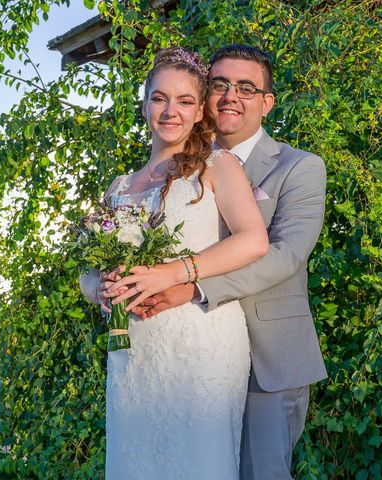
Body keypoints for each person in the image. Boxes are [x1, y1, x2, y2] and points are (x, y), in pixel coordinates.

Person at [121, 45, 329, 479]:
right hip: (185, 350)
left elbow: (284, 255)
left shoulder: (300, 167)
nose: (231, 96)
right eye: (220, 84)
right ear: (204, 98)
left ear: (267, 102)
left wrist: (193, 287)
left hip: (269, 355)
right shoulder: (170, 166)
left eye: (247, 88)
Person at [80, 47, 269, 479]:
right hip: (133, 348)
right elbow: (85, 272)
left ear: (201, 110)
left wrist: (174, 271)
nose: (170, 111)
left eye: (184, 101)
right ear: (144, 103)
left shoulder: (218, 167)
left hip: (199, 338)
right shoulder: (120, 185)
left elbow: (254, 240)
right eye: (160, 98)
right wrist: (101, 289)